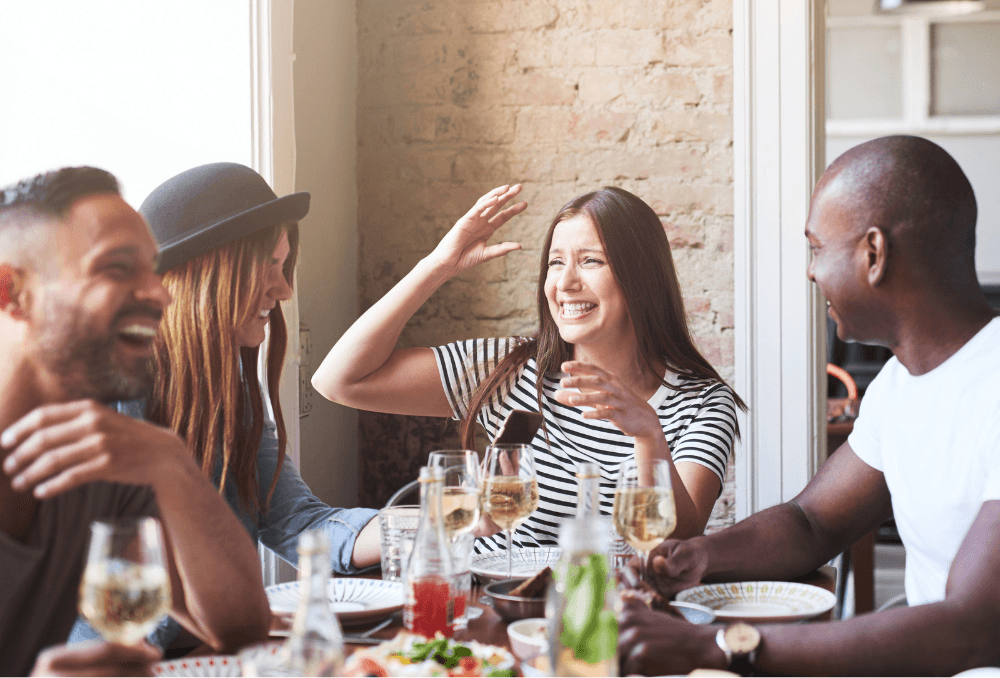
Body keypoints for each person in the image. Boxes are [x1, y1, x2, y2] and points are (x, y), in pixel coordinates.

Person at [617, 135, 1000, 676]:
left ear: (874, 253)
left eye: (817, 248)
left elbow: (972, 629)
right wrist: (699, 557)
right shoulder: (899, 384)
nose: (810, 271)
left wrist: (717, 646)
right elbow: (812, 522)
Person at [313, 185, 741, 553]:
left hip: (612, 615)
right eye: (556, 262)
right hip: (499, 606)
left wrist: (648, 434)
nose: (565, 283)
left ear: (642, 277)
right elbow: (339, 381)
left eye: (590, 261)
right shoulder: (509, 369)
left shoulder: (701, 403)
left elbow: (677, 541)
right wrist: (437, 267)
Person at [0, 167, 270, 677]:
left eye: (153, 269)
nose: (159, 294)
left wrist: (173, 464)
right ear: (12, 291)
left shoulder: (105, 454)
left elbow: (239, 627)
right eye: (117, 268)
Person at [138, 163, 380, 572]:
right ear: (204, 275)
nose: (284, 289)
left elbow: (299, 522)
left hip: (223, 636)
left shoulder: (229, 386)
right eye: (269, 266)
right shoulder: (105, 394)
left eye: (284, 267)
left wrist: (437, 518)